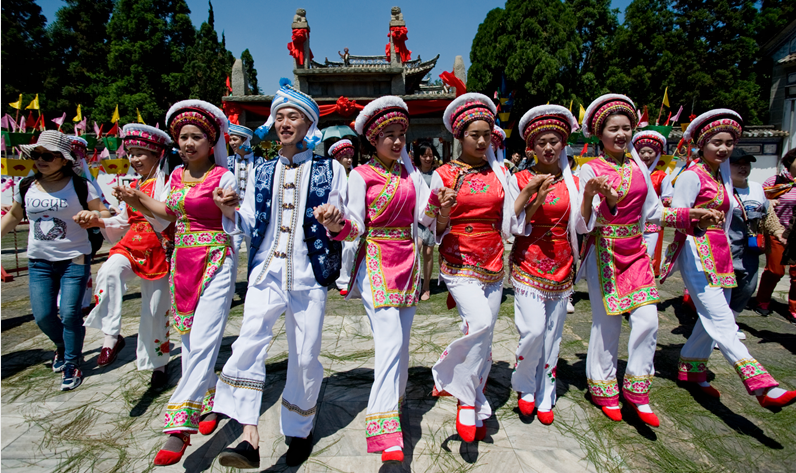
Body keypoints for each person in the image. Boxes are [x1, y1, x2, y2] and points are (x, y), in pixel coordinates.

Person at [212, 79, 345, 470]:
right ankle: (248, 436)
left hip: (309, 273)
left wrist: (335, 221)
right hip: (266, 271)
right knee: (249, 343)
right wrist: (230, 210)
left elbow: (343, 221)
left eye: (294, 116)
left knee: (304, 357)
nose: (285, 123)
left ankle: (299, 429)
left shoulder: (330, 168)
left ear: (309, 125)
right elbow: (251, 221)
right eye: (279, 116)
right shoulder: (262, 169)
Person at [577, 94, 718, 427]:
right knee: (607, 325)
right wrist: (596, 198)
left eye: (627, 128)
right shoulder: (589, 171)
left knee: (648, 321)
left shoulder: (637, 165)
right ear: (600, 134)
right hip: (604, 252)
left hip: (636, 252)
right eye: (614, 129)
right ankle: (603, 387)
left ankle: (638, 390)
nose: (622, 134)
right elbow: (584, 225)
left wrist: (690, 214)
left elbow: (653, 212)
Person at [115, 100, 237, 465]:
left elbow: (235, 213)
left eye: (195, 136)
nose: (187, 143)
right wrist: (137, 198)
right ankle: (213, 398)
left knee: (201, 341)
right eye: (182, 137)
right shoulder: (175, 177)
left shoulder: (223, 177)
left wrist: (228, 205)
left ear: (210, 140)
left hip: (216, 258)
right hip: (182, 260)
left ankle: (178, 424)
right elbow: (167, 213)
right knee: (188, 338)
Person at [315, 96, 428, 466]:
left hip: (408, 262)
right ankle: (384, 428)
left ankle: (395, 401)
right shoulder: (361, 176)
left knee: (401, 342)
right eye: (388, 136)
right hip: (377, 260)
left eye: (401, 135)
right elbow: (356, 226)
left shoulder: (410, 175)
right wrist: (337, 225)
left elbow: (424, 218)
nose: (397, 142)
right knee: (391, 340)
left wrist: (438, 207)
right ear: (372, 140)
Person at [660, 109, 796, 409]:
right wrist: (696, 216)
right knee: (721, 317)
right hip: (695, 251)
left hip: (721, 252)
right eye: (717, 142)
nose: (723, 148)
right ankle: (760, 383)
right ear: (702, 144)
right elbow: (669, 217)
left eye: (729, 143)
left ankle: (692, 369)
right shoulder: (692, 176)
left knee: (712, 316)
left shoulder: (721, 175)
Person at [421, 93, 512, 443]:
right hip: (458, 262)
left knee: (485, 337)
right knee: (481, 323)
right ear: (459, 137)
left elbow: (512, 216)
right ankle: (460, 393)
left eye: (486, 134)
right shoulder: (444, 174)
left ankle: (471, 396)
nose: (480, 140)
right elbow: (432, 227)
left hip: (493, 261)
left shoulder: (500, 174)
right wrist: (443, 210)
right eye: (474, 134)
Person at [0, 130, 110, 390]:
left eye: (47, 155)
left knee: (70, 313)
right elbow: (15, 216)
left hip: (75, 259)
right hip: (39, 262)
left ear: (64, 159)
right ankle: (62, 345)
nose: (40, 159)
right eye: (37, 154)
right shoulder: (26, 185)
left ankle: (72, 361)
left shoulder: (81, 185)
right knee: (44, 316)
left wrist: (90, 215)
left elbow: (103, 211)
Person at [82, 124, 174, 388]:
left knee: (156, 310)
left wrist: (136, 201)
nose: (134, 159)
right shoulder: (134, 183)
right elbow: (122, 219)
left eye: (140, 153)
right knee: (108, 271)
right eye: (131, 153)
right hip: (131, 245)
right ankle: (112, 334)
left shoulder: (168, 182)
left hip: (159, 248)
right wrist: (96, 221)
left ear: (157, 155)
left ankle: (159, 364)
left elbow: (165, 216)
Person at [509, 105, 580, 425]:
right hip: (527, 262)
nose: (549, 147)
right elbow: (514, 221)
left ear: (563, 144)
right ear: (531, 147)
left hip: (562, 265)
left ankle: (545, 393)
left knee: (553, 335)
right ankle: (524, 385)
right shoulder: (521, 177)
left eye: (554, 141)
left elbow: (582, 225)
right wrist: (535, 195)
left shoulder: (574, 182)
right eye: (542, 143)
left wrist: (592, 197)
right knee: (534, 330)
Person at [727, 148, 768, 337]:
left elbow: (768, 215)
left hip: (750, 248)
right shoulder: (722, 188)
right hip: (727, 247)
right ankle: (723, 328)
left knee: (748, 287)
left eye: (746, 164)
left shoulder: (757, 188)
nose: (743, 168)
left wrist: (778, 233)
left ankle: (731, 320)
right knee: (725, 288)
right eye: (737, 164)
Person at [756, 147, 796, 320]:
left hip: (795, 234)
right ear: (790, 162)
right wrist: (769, 202)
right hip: (777, 231)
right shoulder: (775, 180)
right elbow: (758, 200)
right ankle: (763, 300)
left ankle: (794, 306)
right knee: (775, 271)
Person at [632, 130, 672, 276]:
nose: (646, 156)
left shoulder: (661, 176)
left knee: (646, 254)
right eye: (642, 152)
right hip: (632, 220)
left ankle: (642, 280)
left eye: (650, 152)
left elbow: (668, 197)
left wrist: (666, 203)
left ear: (657, 153)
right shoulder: (631, 171)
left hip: (652, 222)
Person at [226, 123, 262, 256]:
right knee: (231, 249)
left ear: (245, 140)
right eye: (230, 139)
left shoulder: (260, 162)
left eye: (235, 139)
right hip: (233, 212)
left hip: (253, 212)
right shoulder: (227, 162)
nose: (231, 143)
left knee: (254, 249)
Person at [328, 139, 358, 295]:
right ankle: (343, 279)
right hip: (337, 216)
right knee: (345, 248)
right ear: (337, 158)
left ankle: (351, 278)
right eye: (345, 156)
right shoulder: (332, 175)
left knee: (352, 247)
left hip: (354, 216)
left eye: (350, 156)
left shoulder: (355, 174)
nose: (349, 159)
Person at [414, 140, 439, 301]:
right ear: (419, 156)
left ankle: (426, 286)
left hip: (432, 219)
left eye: (430, 155)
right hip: (416, 218)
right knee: (416, 248)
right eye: (424, 155)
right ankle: (414, 283)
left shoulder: (437, 174)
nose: (428, 159)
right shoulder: (413, 173)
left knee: (429, 252)